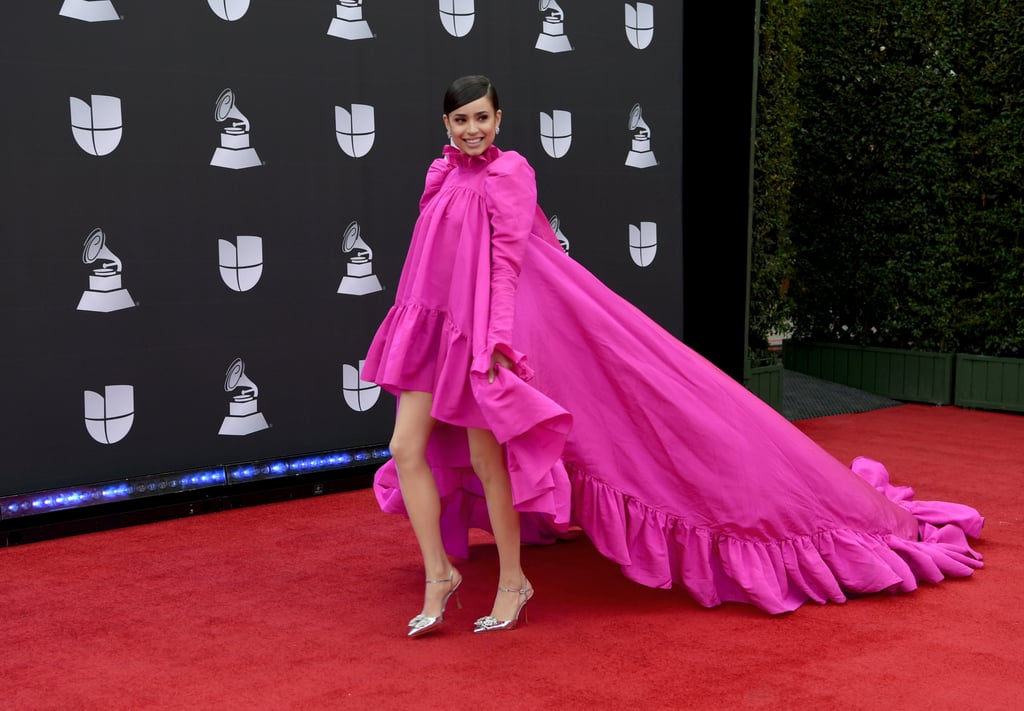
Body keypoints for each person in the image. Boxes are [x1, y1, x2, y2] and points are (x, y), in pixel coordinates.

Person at [363, 75, 984, 636]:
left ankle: (511, 582)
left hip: (481, 332)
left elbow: (509, 262)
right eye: (460, 120)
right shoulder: (441, 175)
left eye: (482, 118)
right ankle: (438, 574)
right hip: (433, 329)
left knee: (486, 454)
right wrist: (412, 328)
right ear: (445, 126)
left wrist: (497, 340)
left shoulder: (510, 173)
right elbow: (432, 259)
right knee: (405, 448)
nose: (472, 129)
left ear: (500, 120)